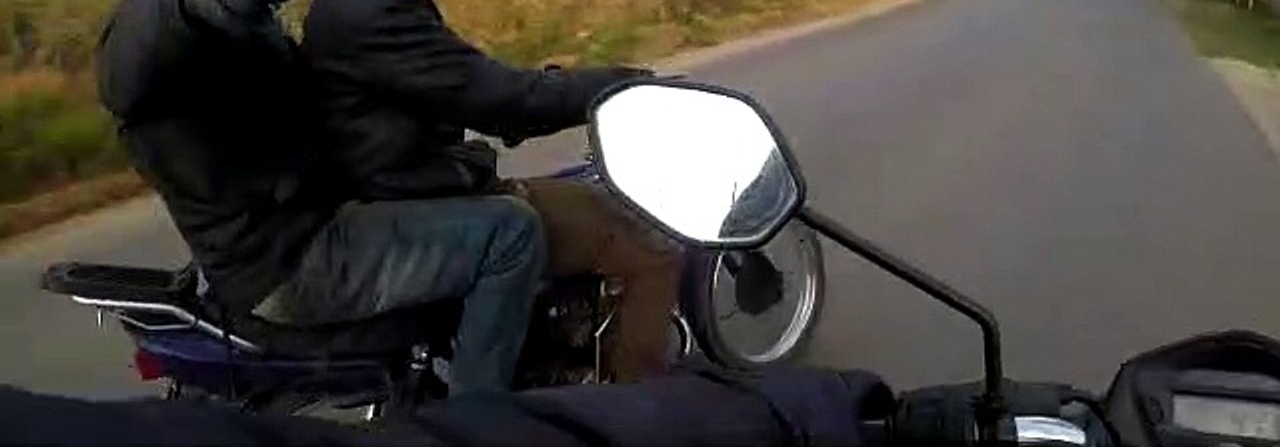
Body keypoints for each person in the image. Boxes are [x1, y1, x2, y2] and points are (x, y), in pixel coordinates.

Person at [95, 0, 546, 396]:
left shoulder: (256, 35)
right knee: (511, 234)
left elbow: (324, 133)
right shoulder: (171, 51)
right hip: (292, 263)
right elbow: (126, 64)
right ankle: (479, 424)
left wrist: (444, 164)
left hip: (297, 234)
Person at [300, 0, 683, 384]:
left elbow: (464, 81)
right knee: (647, 250)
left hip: (399, 185)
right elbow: (503, 97)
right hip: (414, 197)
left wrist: (529, 89)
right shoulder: (376, 11)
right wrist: (623, 85)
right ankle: (630, 414)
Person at [0, 363, 896, 446]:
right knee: (512, 231)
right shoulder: (365, 11)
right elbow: (473, 85)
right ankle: (488, 392)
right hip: (307, 237)